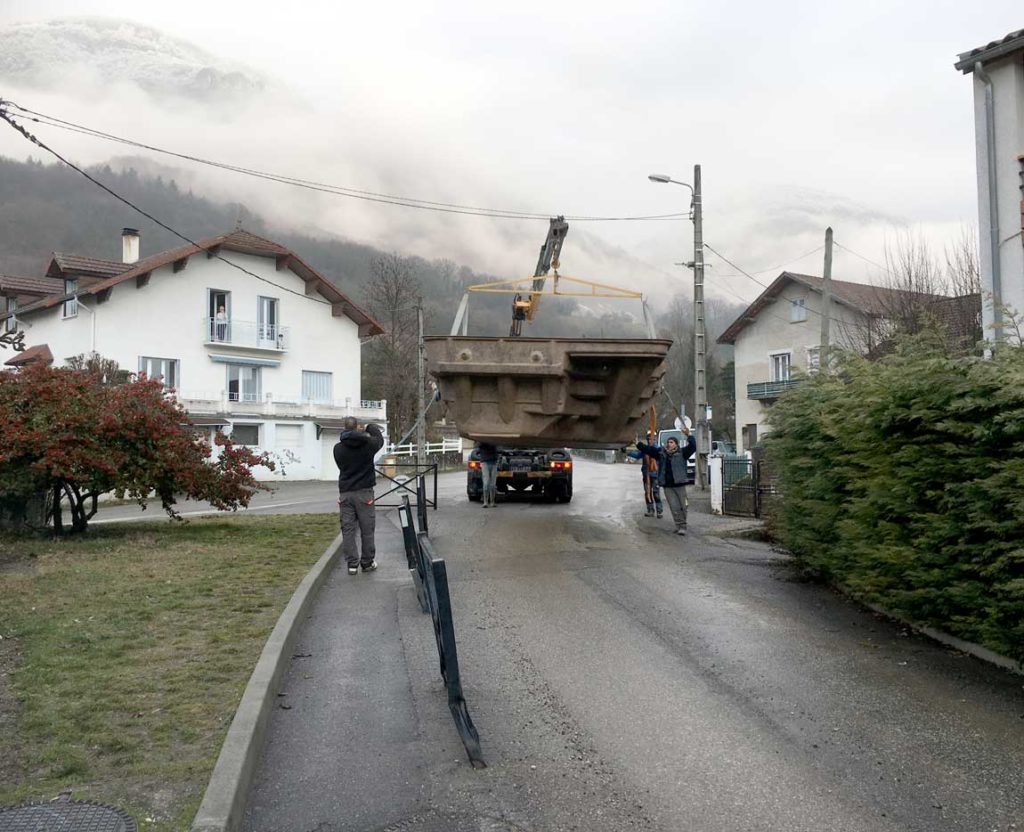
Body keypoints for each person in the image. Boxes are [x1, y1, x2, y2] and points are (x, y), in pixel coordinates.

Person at [333, 417, 385, 575]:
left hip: (345, 493)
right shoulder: (368, 445)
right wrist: (370, 428)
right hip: (364, 493)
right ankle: (367, 562)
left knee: (348, 529)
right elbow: (379, 440)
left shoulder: (337, 448)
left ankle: (352, 565)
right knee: (367, 529)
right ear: (357, 427)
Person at [637, 428, 697, 535]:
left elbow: (693, 446)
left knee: (683, 506)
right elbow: (649, 450)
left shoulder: (682, 453)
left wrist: (689, 435)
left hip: (679, 484)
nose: (669, 444)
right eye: (668, 442)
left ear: (676, 444)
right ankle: (679, 526)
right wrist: (638, 444)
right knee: (674, 506)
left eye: (671, 442)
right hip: (667, 485)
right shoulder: (662, 454)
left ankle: (683, 525)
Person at [625, 434, 663, 518]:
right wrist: (628, 452)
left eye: (652, 439)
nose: (650, 441)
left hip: (655, 475)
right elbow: (638, 455)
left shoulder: (658, 450)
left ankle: (659, 511)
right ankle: (650, 510)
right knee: (647, 492)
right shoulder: (645, 450)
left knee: (656, 493)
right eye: (649, 439)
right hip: (646, 474)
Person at [477, 441, 499, 507]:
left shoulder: (493, 443)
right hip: (485, 463)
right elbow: (479, 445)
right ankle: (485, 502)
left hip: (493, 463)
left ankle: (492, 502)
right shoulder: (482, 442)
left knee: (493, 484)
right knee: (486, 483)